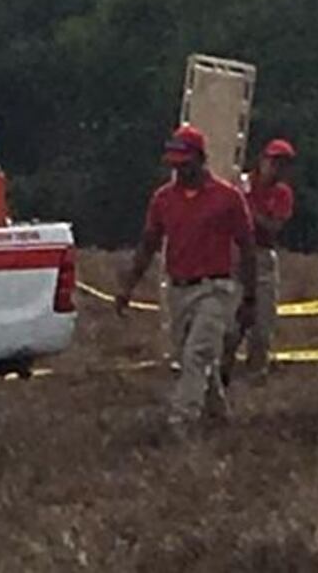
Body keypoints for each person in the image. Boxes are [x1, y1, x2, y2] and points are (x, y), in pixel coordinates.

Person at [116, 124, 257, 435]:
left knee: (196, 355)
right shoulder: (163, 199)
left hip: (216, 289)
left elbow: (247, 247)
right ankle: (219, 416)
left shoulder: (228, 198)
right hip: (178, 291)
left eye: (184, 162)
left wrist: (249, 299)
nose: (178, 169)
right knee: (191, 357)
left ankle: (181, 423)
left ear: (200, 158)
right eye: (174, 163)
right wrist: (128, 286)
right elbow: (149, 243)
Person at [223, 138, 297, 381]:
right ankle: (223, 369)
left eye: (284, 165)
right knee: (230, 324)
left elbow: (272, 227)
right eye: (274, 162)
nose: (278, 169)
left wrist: (243, 206)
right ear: (262, 160)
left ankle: (257, 373)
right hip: (235, 256)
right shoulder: (240, 183)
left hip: (263, 257)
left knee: (262, 326)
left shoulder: (283, 194)